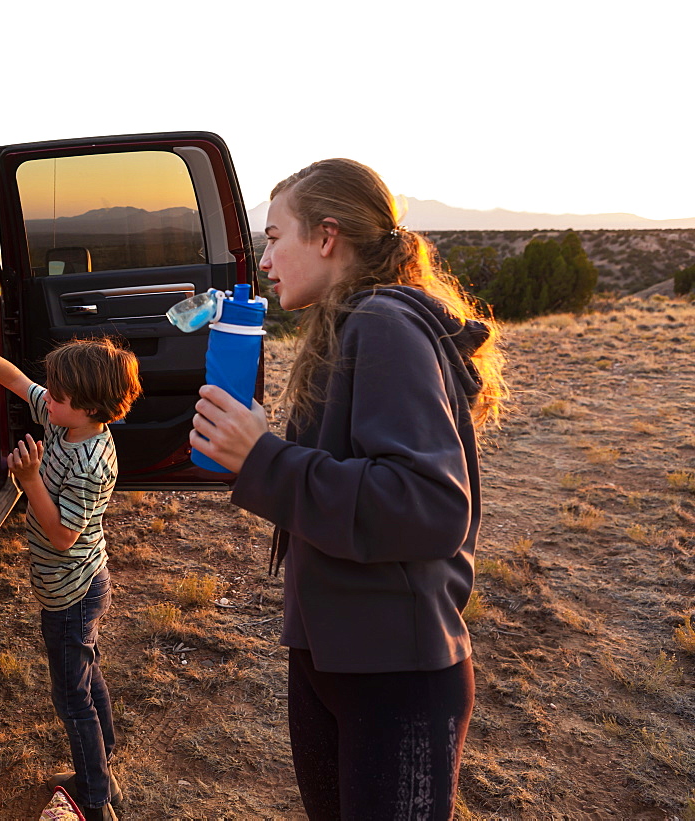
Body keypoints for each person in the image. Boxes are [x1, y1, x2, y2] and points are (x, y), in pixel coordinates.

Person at [189, 159, 506, 820]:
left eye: (276, 238)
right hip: (331, 654)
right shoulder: (341, 326)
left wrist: (265, 459)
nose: (266, 259)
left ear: (327, 237)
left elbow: (430, 503)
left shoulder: (383, 325)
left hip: (396, 675)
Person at [0, 320, 142, 821]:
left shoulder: (91, 458)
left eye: (59, 395)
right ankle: (101, 767)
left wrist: (29, 480)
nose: (47, 400)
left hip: (73, 592)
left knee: (71, 697)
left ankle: (94, 797)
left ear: (90, 406)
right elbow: (15, 380)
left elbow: (63, 534)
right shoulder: (64, 419)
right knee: (86, 678)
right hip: (71, 585)